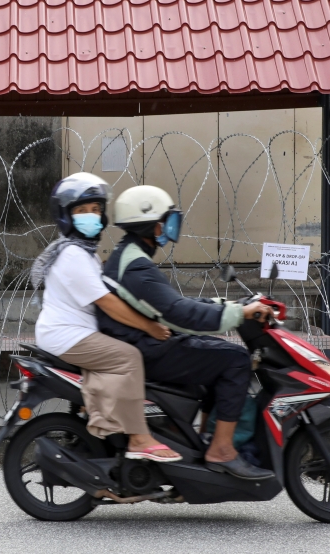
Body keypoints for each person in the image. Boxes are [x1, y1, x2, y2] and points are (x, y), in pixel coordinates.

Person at [96, 184, 274, 480]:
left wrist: (231, 305)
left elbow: (174, 304)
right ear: (150, 225)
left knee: (211, 353)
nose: (170, 227)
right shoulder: (136, 266)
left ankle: (194, 440)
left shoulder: (130, 255)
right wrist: (236, 313)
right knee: (235, 359)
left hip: (146, 341)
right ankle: (221, 450)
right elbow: (179, 313)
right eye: (167, 221)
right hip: (146, 348)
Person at [32, 173, 181, 463]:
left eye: (96, 210)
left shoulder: (86, 253)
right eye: (82, 211)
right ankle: (139, 438)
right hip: (68, 336)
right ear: (66, 216)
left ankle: (102, 416)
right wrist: (150, 326)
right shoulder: (73, 254)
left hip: (76, 333)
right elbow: (108, 303)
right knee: (127, 357)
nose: (91, 216)